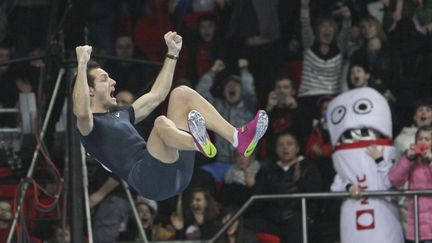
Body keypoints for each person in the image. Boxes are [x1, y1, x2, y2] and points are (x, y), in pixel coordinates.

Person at [73, 31, 268, 201]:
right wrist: (81, 65)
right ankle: (197, 142)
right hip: (149, 181)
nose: (113, 82)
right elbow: (81, 111)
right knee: (161, 123)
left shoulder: (122, 114)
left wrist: (172, 54)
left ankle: (237, 137)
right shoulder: (90, 128)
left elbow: (157, 94)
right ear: (90, 90)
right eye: (105, 79)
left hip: (177, 171)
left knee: (181, 93)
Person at [389, 126, 432, 243]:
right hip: (416, 227)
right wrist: (407, 159)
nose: (423, 142)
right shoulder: (411, 160)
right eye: (420, 138)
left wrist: (430, 161)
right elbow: (395, 180)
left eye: (427, 139)